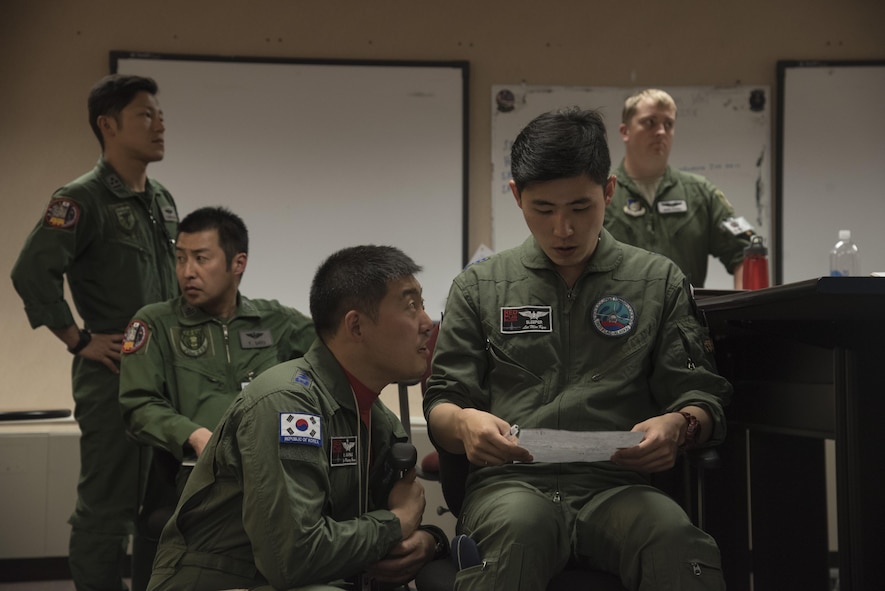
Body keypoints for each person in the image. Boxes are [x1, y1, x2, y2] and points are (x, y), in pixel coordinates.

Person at [424, 107, 732, 590]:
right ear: (516, 196)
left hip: (617, 486)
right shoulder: (480, 287)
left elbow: (701, 395)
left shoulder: (657, 281)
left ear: (608, 191)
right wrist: (464, 422)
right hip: (511, 485)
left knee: (674, 539)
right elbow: (442, 400)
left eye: (580, 208)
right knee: (521, 531)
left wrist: (680, 424)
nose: (562, 229)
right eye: (542, 210)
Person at [147, 245, 448, 591]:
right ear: (357, 326)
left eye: (423, 305)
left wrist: (429, 541)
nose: (427, 323)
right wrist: (395, 524)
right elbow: (294, 559)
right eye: (411, 306)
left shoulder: (378, 419)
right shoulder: (287, 403)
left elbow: (385, 525)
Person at [10, 74, 178, 591]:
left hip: (166, 376)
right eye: (145, 115)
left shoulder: (161, 199)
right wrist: (78, 339)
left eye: (160, 114)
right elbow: (30, 272)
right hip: (113, 376)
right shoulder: (80, 199)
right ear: (108, 125)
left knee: (161, 508)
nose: (159, 124)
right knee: (108, 508)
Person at [118, 206, 316, 590]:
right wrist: (193, 435)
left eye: (201, 258)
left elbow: (334, 356)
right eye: (180, 258)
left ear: (237, 263)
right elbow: (138, 406)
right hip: (197, 478)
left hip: (271, 471)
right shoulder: (156, 323)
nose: (187, 271)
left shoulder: (273, 321)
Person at [603, 88, 754, 288]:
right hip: (619, 316)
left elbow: (748, 254)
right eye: (650, 122)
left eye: (669, 124)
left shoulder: (699, 193)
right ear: (625, 131)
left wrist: (745, 316)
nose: (661, 132)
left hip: (684, 316)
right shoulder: (601, 193)